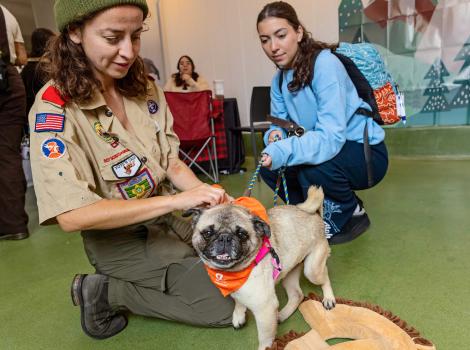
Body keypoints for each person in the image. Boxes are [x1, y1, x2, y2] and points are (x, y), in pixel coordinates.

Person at [29, 0, 234, 339]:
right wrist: (173, 203)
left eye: (136, 36)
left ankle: (174, 262)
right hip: (120, 241)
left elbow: (169, 161)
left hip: (166, 221)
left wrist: (213, 201)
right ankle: (105, 291)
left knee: (232, 263)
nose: (128, 52)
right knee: (225, 307)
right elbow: (72, 215)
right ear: (75, 32)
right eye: (113, 38)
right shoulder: (54, 109)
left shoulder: (144, 87)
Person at [256, 1, 388, 245]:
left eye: (281, 35)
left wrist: (285, 149)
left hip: (364, 153)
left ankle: (350, 213)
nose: (273, 47)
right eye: (265, 40)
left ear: (298, 32)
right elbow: (280, 125)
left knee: (312, 166)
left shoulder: (325, 65)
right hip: (331, 149)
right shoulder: (278, 81)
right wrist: (274, 137)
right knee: (269, 167)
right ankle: (310, 214)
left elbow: (330, 139)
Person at [0, 4, 29, 240]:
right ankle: (15, 225)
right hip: (8, 83)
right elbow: (21, 57)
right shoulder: (6, 13)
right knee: (8, 154)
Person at [21, 28, 56, 112]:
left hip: (31, 112)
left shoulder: (26, 68)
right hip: (47, 111)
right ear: (47, 44)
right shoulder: (45, 68)